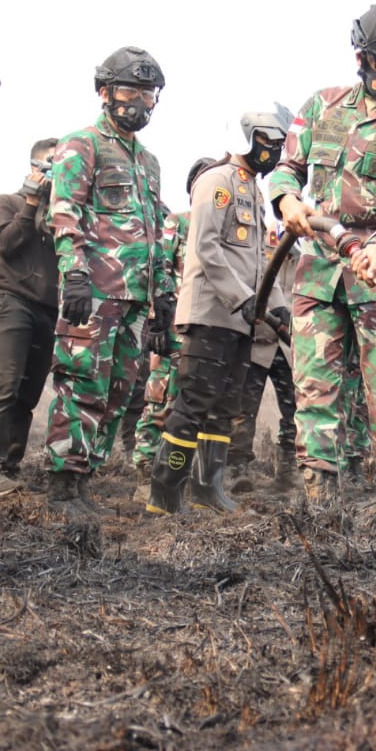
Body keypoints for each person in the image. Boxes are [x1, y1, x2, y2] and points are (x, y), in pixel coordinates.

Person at [269, 0, 376, 521]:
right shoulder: (322, 106)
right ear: (362, 59)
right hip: (318, 271)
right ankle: (321, 500)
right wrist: (287, 200)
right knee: (315, 387)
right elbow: (286, 167)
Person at [43, 46, 173, 515]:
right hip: (94, 294)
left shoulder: (149, 162)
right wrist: (74, 273)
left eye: (149, 93)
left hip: (135, 299)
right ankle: (62, 484)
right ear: (105, 92)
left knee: (118, 392)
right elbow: (65, 213)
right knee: (82, 385)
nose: (140, 101)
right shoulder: (82, 144)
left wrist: (165, 299)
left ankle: (85, 479)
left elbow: (155, 232)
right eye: (130, 90)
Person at [145, 105, 291, 516]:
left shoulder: (253, 191)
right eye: (268, 142)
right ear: (246, 137)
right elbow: (205, 246)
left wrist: (277, 307)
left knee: (226, 408)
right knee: (193, 403)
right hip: (211, 314)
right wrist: (240, 298)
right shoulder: (216, 182)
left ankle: (207, 488)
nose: (274, 151)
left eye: (279, 144)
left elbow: (262, 260)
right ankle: (165, 490)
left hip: (242, 322)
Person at [0, 138, 59, 498]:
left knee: (27, 394)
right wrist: (30, 204)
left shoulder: (64, 219)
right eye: (50, 166)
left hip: (47, 311)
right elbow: (7, 245)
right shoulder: (6, 203)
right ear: (34, 168)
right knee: (5, 386)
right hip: (11, 302)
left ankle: (10, 467)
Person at [131, 157, 212, 478]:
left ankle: (186, 476)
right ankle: (146, 472)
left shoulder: (230, 233)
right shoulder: (178, 223)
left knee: (201, 410)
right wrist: (156, 321)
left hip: (212, 336)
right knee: (161, 403)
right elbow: (158, 268)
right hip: (176, 331)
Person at [228, 221, 298, 491]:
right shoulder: (262, 244)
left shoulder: (306, 257)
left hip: (288, 348)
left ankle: (289, 469)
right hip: (256, 343)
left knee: (294, 409)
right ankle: (237, 468)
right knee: (244, 410)